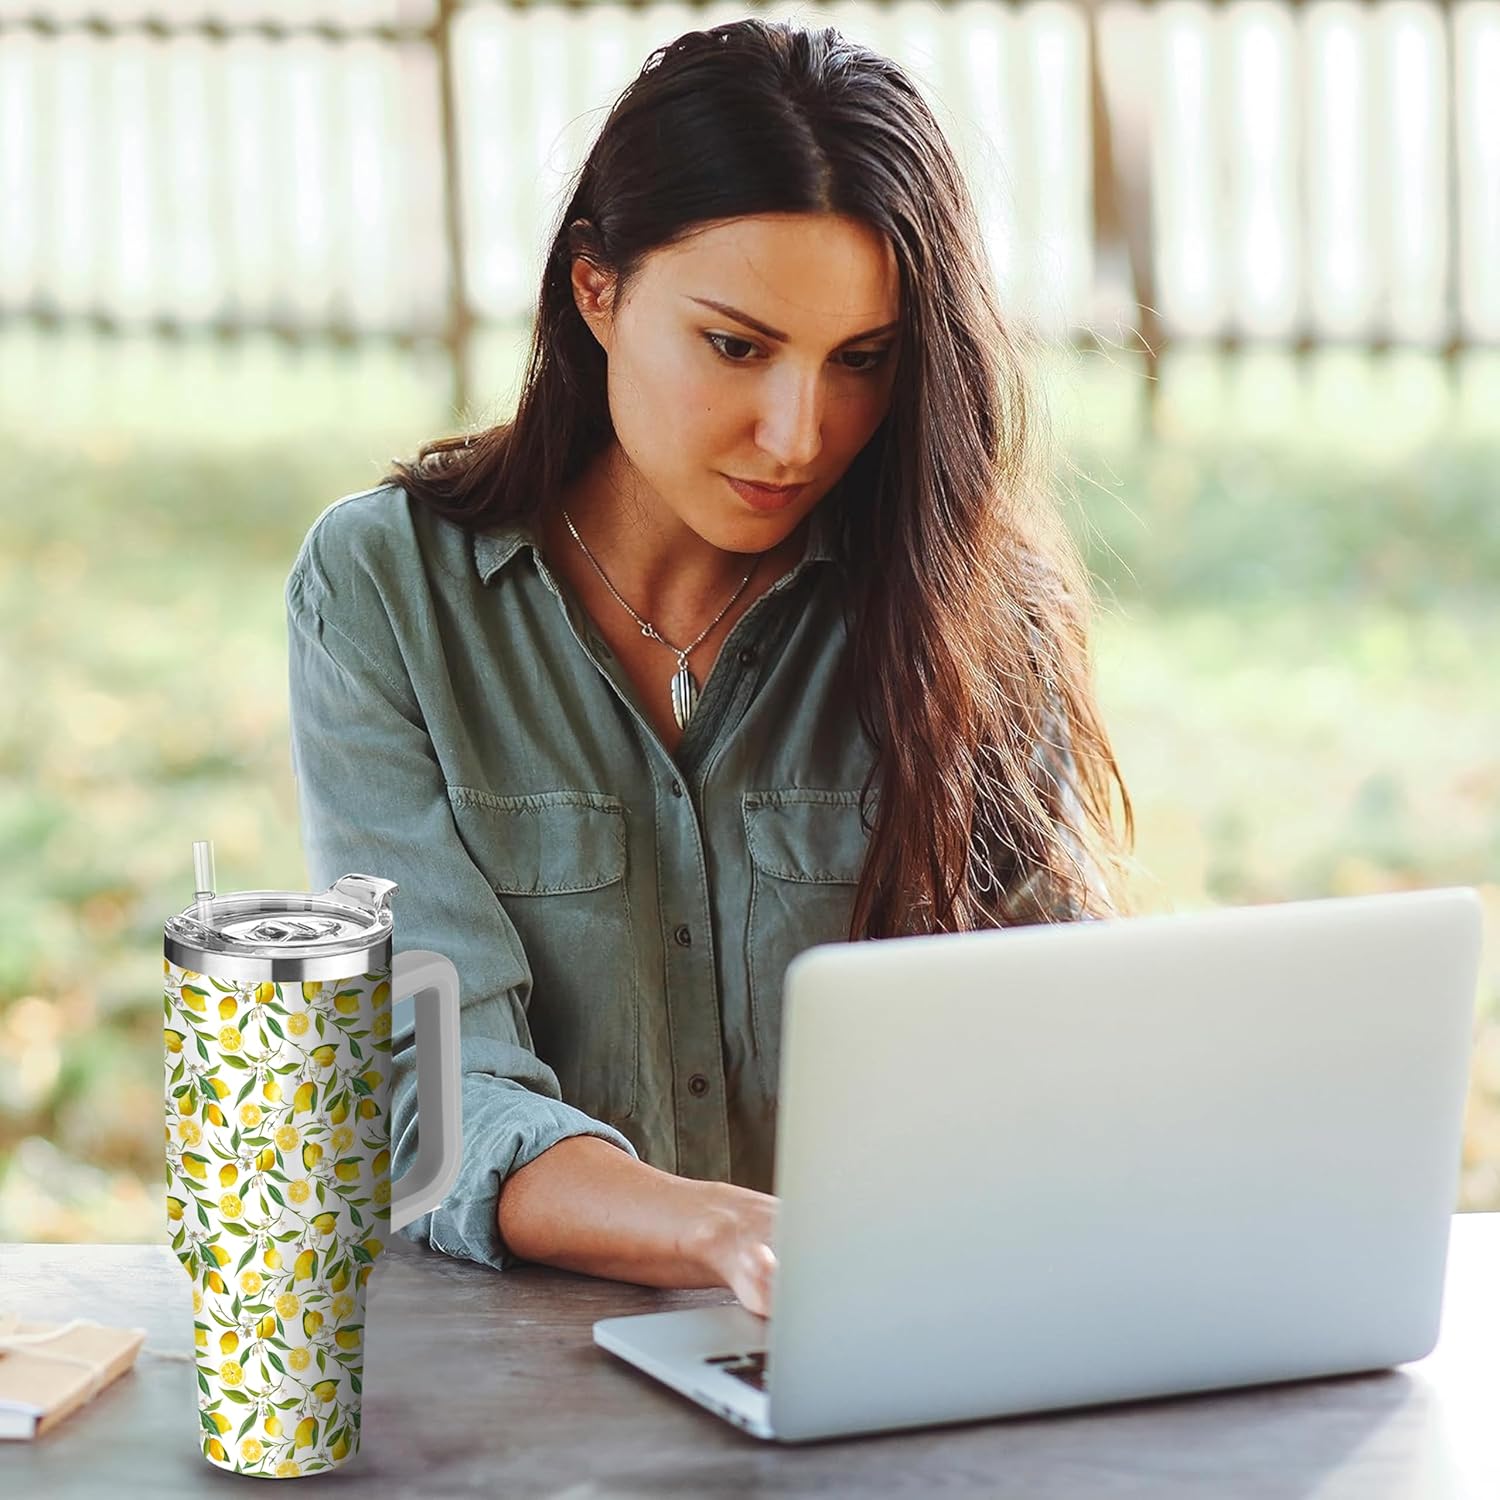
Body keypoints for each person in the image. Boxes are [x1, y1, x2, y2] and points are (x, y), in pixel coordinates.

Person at [284, 18, 1135, 1319]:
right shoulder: (385, 591)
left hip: (890, 1343)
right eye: (737, 346)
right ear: (596, 289)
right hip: (516, 1374)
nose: (800, 435)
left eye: (862, 360)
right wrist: (720, 1234)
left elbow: (1063, 1049)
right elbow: (429, 1103)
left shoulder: (967, 609)